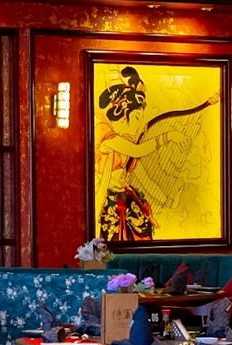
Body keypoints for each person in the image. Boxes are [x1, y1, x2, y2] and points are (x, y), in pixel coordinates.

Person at [93, 67, 218, 242]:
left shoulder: (126, 140)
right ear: (124, 114)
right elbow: (138, 150)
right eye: (137, 118)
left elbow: (142, 176)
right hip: (112, 203)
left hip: (126, 197)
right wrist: (168, 136)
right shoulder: (108, 139)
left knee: (143, 232)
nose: (139, 125)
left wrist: (163, 197)